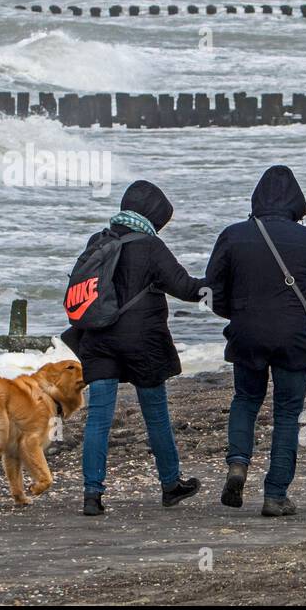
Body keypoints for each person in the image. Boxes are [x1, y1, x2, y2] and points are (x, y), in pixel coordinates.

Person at [62, 180, 206, 516]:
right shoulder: (151, 247)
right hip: (144, 342)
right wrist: (222, 283)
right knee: (156, 415)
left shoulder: (99, 241)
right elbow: (185, 288)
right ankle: (171, 485)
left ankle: (92, 495)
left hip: (98, 339)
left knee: (99, 418)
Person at [204, 165, 306, 517]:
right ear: (296, 202)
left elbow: (212, 290)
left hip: (247, 333)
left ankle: (238, 462)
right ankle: (275, 495)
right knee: (287, 413)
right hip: (292, 335)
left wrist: (237, 314)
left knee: (246, 399)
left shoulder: (233, 235)